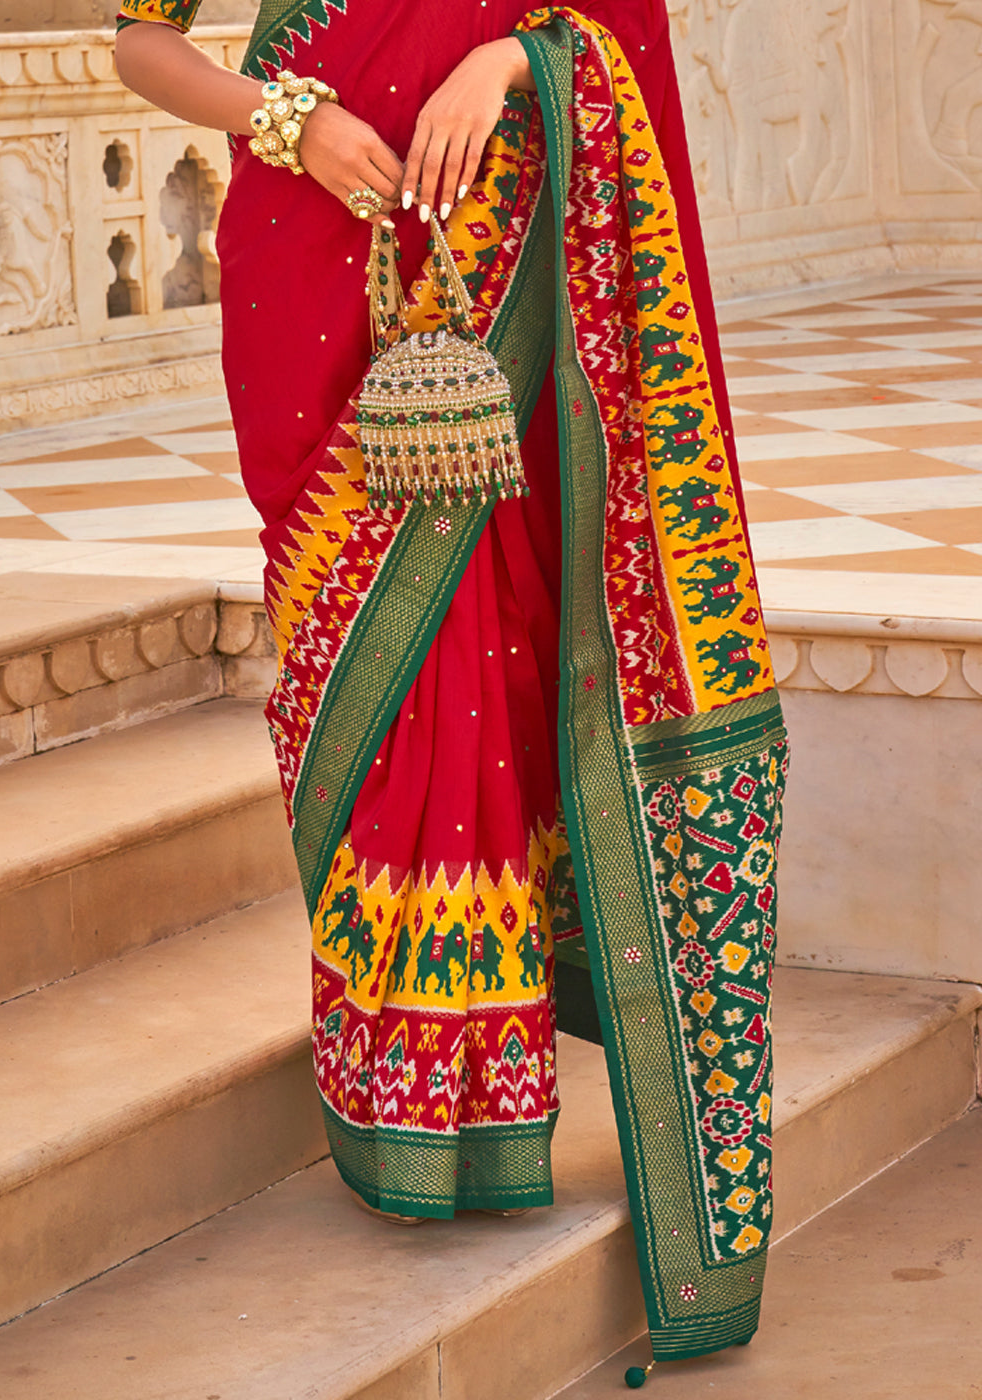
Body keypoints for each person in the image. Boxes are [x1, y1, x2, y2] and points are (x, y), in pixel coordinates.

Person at [115, 0, 788, 1372]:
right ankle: (407, 1088)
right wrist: (293, 125)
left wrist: (516, 59)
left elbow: (614, 34)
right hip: (317, 274)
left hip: (508, 266)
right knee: (362, 670)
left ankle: (493, 1074)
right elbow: (142, 45)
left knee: (499, 658)